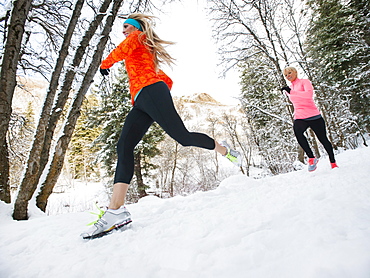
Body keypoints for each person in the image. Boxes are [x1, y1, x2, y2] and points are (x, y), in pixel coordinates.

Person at [81, 14, 242, 239]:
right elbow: (157, 72)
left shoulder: (137, 36)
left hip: (150, 92)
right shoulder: (140, 44)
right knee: (124, 146)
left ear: (135, 27)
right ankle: (115, 212)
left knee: (183, 138)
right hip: (141, 100)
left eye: (125, 26)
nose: (123, 31)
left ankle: (224, 149)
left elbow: (121, 51)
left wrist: (105, 63)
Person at [281, 66, 338, 172]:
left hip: (314, 116)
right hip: (300, 117)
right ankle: (311, 158)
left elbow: (308, 95)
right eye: (286, 75)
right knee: (298, 133)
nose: (288, 76)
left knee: (323, 139)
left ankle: (333, 162)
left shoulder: (304, 82)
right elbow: (296, 103)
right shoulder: (290, 88)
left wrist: (291, 92)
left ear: (295, 72)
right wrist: (290, 92)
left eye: (289, 73)